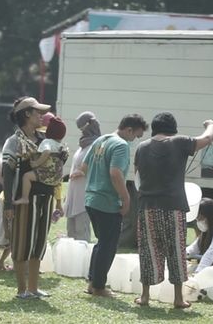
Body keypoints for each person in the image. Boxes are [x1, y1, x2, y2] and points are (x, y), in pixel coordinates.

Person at [133, 112, 213, 307]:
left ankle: (144, 296)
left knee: (148, 250)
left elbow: (137, 175)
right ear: (172, 129)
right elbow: (207, 138)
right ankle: (178, 299)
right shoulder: (179, 142)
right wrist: (210, 123)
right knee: (175, 251)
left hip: (147, 207)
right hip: (173, 208)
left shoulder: (141, 147)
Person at [81, 114, 148, 297]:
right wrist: (126, 199)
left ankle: (92, 282)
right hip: (107, 202)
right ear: (129, 130)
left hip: (91, 199)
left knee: (101, 243)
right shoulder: (121, 145)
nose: (136, 140)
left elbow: (83, 167)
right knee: (108, 245)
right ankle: (99, 287)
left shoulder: (101, 140)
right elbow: (116, 173)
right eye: (137, 135)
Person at [2, 96, 54, 299]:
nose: (42, 116)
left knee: (39, 244)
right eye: (37, 112)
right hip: (24, 200)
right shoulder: (14, 142)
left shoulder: (44, 141)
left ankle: (33, 288)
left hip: (45, 197)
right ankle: (21, 290)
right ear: (26, 114)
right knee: (22, 243)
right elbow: (7, 174)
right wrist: (8, 203)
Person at [64, 111, 101, 242]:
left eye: (82, 127)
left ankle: (83, 262)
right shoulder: (83, 146)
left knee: (82, 234)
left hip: (84, 198)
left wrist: (82, 172)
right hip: (73, 197)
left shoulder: (97, 145)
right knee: (71, 234)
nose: (82, 131)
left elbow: (98, 167)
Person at [13, 116, 68, 205]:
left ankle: (24, 198)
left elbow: (47, 151)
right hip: (56, 178)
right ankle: (58, 204)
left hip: (46, 174)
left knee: (26, 176)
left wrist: (36, 163)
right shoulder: (60, 145)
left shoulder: (47, 142)